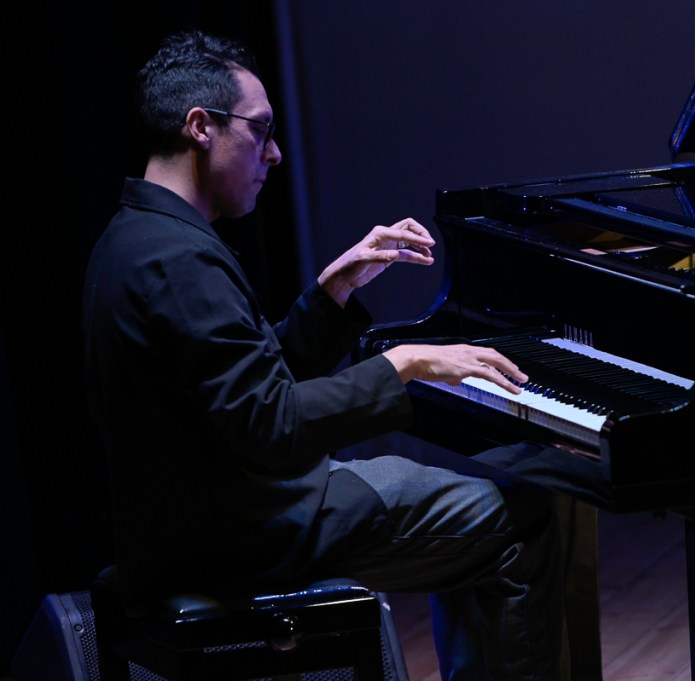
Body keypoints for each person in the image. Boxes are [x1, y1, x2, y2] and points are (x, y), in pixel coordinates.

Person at [82, 30, 608, 681]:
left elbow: (239, 393)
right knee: (524, 520)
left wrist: (332, 293)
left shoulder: (132, 237)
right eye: (260, 130)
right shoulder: (178, 258)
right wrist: (405, 364)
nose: (274, 153)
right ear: (200, 127)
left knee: (488, 498)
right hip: (251, 531)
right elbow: (273, 425)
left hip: (205, 522)